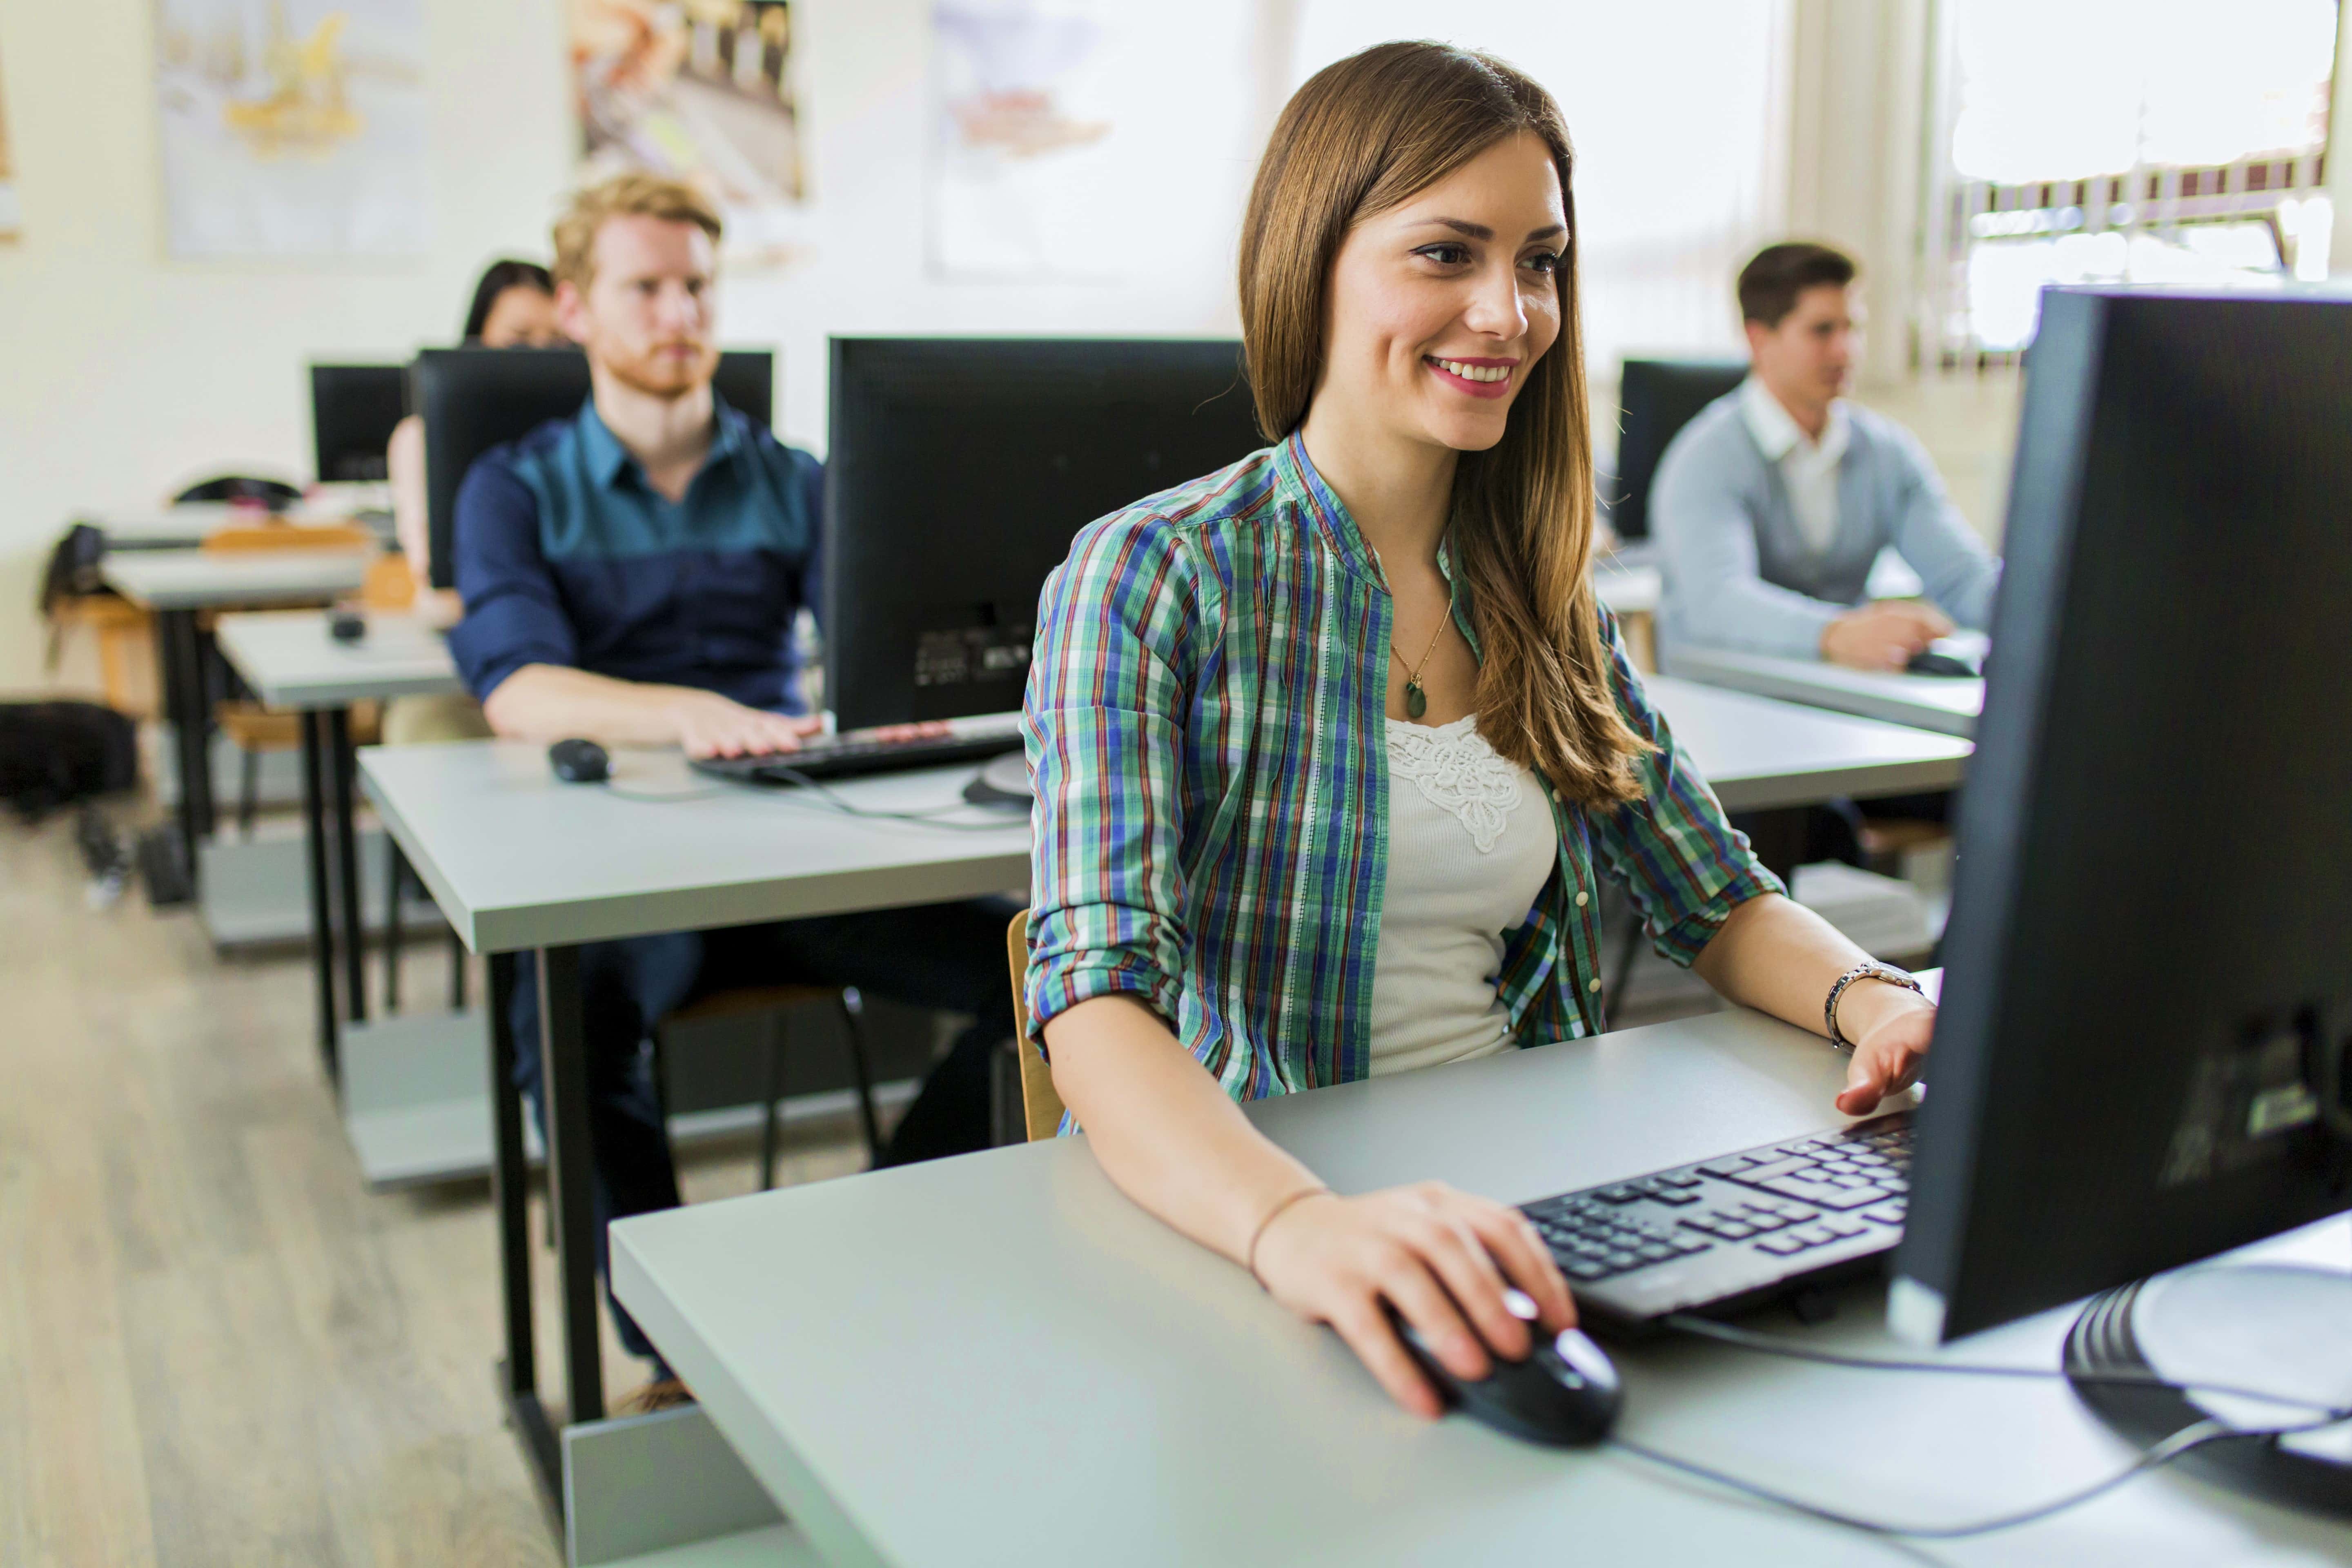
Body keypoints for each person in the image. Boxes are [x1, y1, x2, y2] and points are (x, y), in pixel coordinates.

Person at [1022, 42, 1939, 1422]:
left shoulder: (1539, 585)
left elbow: (1716, 897)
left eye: (1541, 261)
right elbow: (1093, 1006)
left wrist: (1881, 1001)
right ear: (1313, 258)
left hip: (1531, 1188)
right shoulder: (1154, 575)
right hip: (1258, 1208)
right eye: (1446, 254)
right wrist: (1298, 1225)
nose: (1508, 312)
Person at [447, 173, 1016, 1396]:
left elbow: (873, 651)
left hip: (789, 840)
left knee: (1042, 972)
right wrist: (695, 717)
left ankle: (857, 1267)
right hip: (614, 854)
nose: (677, 313)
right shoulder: (510, 486)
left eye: (697, 286)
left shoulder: (794, 474)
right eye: (643, 287)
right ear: (579, 311)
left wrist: (903, 693)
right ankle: (682, 1353)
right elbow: (518, 690)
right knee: (563, 1020)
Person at [1651, 241, 2001, 671]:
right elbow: (1716, 602)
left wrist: (2037, 617)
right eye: (1822, 331)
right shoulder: (1706, 458)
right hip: (1722, 695)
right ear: (1759, 339)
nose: (1845, 350)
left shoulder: (1887, 453)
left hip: (1837, 693)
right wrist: (1838, 632)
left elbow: (1962, 577)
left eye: (1853, 328)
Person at [380, 260, 566, 746]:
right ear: (474, 341)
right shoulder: (425, 442)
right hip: (464, 677)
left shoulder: (593, 452)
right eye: (520, 339)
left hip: (587, 672)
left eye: (560, 343)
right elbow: (441, 593)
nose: (541, 359)